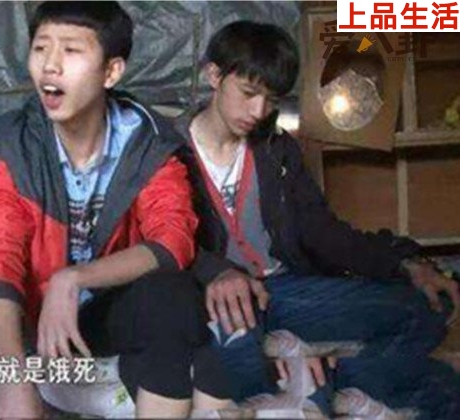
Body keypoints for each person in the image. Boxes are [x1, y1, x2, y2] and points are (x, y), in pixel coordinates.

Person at [0, 2, 233, 418]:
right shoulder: (9, 142)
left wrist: (74, 278)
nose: (50, 65)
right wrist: (13, 379)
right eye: (40, 48)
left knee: (172, 297)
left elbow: (172, 241)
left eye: (71, 50)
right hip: (27, 311)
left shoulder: (148, 143)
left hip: (99, 314)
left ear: (111, 72)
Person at [181, 20, 460, 418]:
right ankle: (328, 386)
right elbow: (159, 241)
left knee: (427, 308)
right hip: (218, 303)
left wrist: (403, 263)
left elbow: (323, 232)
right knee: (233, 350)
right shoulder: (169, 151)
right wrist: (216, 272)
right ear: (214, 75)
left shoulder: (276, 149)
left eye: (271, 100)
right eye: (248, 93)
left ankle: (335, 382)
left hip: (283, 291)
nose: (258, 112)